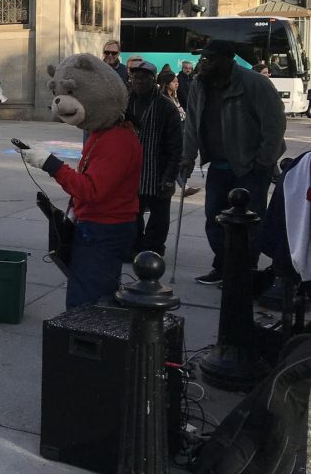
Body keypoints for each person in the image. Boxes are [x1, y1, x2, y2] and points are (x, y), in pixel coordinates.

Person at [19, 53, 141, 309]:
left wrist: (50, 164)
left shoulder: (117, 141)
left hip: (104, 229)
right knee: (88, 290)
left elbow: (91, 189)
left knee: (89, 301)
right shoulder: (101, 133)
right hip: (96, 225)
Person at [182, 41, 287, 285]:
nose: (203, 64)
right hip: (219, 166)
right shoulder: (200, 84)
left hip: (250, 167)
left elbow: (275, 124)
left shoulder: (254, 83)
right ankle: (224, 266)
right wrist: (187, 157)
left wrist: (263, 161)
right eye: (202, 59)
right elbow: (191, 124)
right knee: (214, 218)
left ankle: (243, 271)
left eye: (209, 59)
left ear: (227, 59)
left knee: (248, 222)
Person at [126, 61, 183, 257]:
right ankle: (134, 245)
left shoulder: (166, 106)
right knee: (132, 213)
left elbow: (176, 146)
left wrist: (170, 175)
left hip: (157, 169)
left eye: (143, 78)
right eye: (135, 78)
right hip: (130, 171)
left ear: (153, 80)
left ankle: (153, 248)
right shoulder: (126, 102)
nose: (138, 82)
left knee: (159, 215)